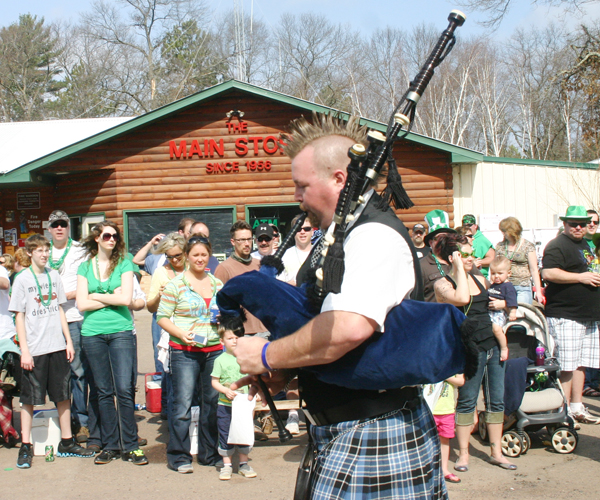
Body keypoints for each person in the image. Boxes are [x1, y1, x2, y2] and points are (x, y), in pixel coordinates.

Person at [232, 115, 446, 499]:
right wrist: (289, 368)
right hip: (346, 430)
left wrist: (267, 354)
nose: (296, 196)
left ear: (338, 179)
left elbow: (346, 329)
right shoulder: (337, 237)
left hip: (375, 431)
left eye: (302, 185)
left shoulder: (373, 236)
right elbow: (330, 330)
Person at [433, 232, 515, 472]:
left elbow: (497, 299)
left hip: (491, 344)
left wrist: (503, 304)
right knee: (467, 401)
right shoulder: (443, 284)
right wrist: (458, 266)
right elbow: (462, 298)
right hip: (468, 349)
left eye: (471, 253)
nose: (473, 258)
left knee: (496, 400)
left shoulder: (481, 279)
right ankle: (464, 455)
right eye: (466, 253)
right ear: (453, 256)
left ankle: (496, 452)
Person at [10, 235, 94, 469]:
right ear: (29, 253)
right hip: (34, 349)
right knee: (29, 399)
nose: (44, 254)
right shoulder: (22, 279)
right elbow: (19, 315)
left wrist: (68, 341)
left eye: (46, 250)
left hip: (57, 345)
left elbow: (59, 309)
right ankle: (26, 445)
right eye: (39, 250)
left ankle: (66, 441)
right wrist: (24, 350)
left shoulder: (53, 275)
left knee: (62, 395)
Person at [76, 221, 148, 465]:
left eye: (115, 236)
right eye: (107, 236)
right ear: (97, 238)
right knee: (103, 391)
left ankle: (131, 445)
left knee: (125, 390)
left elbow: (127, 298)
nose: (111, 239)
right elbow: (81, 305)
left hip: (121, 331)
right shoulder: (85, 267)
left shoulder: (125, 264)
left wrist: (95, 295)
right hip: (92, 333)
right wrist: (111, 298)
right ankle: (110, 445)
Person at [157, 235, 223, 472]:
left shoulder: (217, 284)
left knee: (212, 404)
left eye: (204, 254)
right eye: (195, 254)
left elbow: (224, 315)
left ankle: (209, 453)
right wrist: (180, 333)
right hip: (184, 350)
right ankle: (179, 456)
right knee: (182, 405)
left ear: (209, 256)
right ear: (186, 256)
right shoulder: (176, 285)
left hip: (214, 350)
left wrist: (223, 323)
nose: (199, 259)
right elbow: (161, 317)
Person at [541, 205, 600, 424]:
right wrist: (580, 278)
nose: (578, 227)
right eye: (573, 224)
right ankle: (562, 411)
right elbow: (548, 272)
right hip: (567, 314)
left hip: (588, 314)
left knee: (581, 363)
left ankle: (576, 406)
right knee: (567, 364)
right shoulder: (557, 245)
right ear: (564, 224)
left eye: (582, 224)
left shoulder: (587, 244)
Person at [46, 210, 92, 444]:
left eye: (63, 224)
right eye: (55, 225)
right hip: (48, 320)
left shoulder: (80, 250)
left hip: (75, 316)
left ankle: (82, 422)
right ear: (49, 228)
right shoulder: (44, 251)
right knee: (57, 372)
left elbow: (87, 281)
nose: (60, 228)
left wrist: (64, 296)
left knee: (79, 370)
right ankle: (65, 420)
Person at [211, 325, 257, 481]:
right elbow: (214, 382)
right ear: (222, 341)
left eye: (237, 337)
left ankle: (243, 464)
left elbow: (253, 380)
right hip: (225, 405)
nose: (234, 341)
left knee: (244, 433)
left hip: (243, 405)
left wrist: (254, 393)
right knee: (225, 434)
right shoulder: (219, 360)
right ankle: (227, 465)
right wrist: (225, 391)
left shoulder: (246, 357)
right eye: (230, 338)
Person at [425, 374, 465, 484]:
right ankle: (427, 470)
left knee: (444, 440)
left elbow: (461, 381)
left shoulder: (452, 363)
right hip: (428, 409)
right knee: (426, 441)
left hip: (446, 410)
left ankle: (444, 469)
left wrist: (444, 375)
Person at [495, 216, 543, 305]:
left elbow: (534, 269)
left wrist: (538, 291)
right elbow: (495, 267)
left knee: (520, 313)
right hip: (503, 286)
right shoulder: (500, 246)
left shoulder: (528, 246)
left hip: (522, 286)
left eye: (505, 231)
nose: (503, 233)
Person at [420, 210, 457, 302]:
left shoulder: (459, 260)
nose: (443, 241)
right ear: (431, 242)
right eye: (439, 238)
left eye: (446, 237)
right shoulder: (422, 266)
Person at [278, 214, 314, 285]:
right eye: (298, 229)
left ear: (312, 232)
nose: (302, 232)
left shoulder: (319, 252)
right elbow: (279, 284)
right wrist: (288, 285)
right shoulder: (285, 255)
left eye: (306, 229)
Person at [488, 256, 518, 327]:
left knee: (496, 329)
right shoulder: (493, 285)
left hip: (500, 312)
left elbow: (512, 300)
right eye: (493, 273)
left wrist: (512, 313)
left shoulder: (508, 286)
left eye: (500, 273)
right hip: (490, 311)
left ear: (509, 273)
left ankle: (502, 338)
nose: (496, 276)